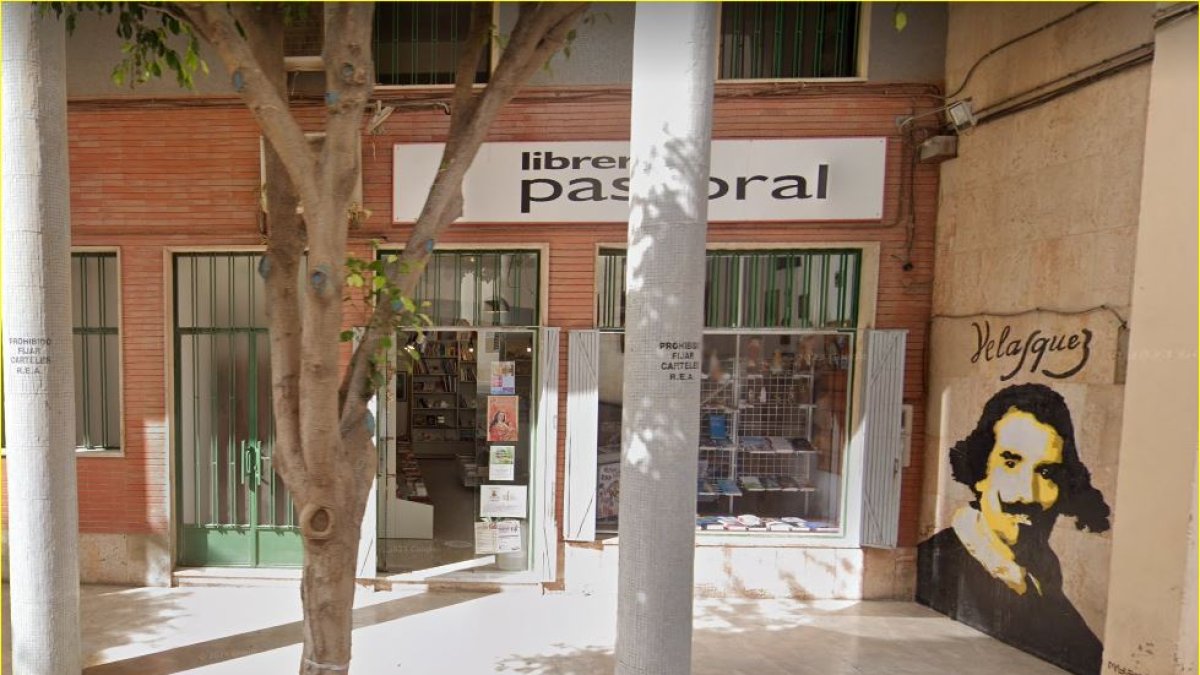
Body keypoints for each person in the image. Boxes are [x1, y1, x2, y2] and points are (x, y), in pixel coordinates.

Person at [917, 383, 1110, 675]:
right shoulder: (938, 563)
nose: (1027, 493)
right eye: (1010, 462)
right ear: (980, 472)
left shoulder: (1039, 576)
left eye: (1045, 472)